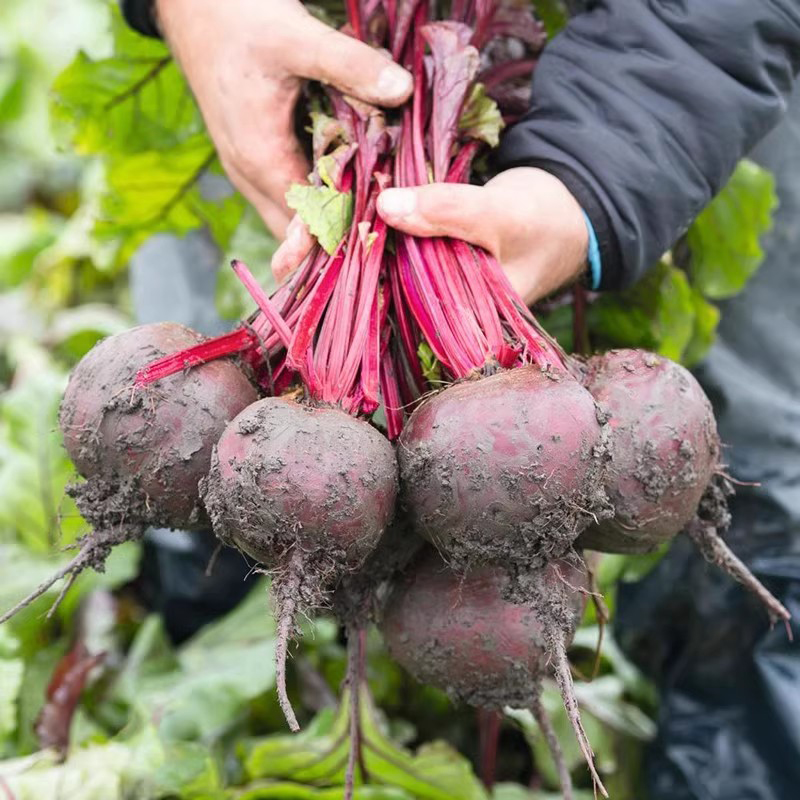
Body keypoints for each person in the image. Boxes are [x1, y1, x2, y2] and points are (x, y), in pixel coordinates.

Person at [122, 1, 800, 797]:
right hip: (273, 46)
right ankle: (184, 653)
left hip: (675, 52)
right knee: (187, 463)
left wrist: (591, 183)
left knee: (762, 449)